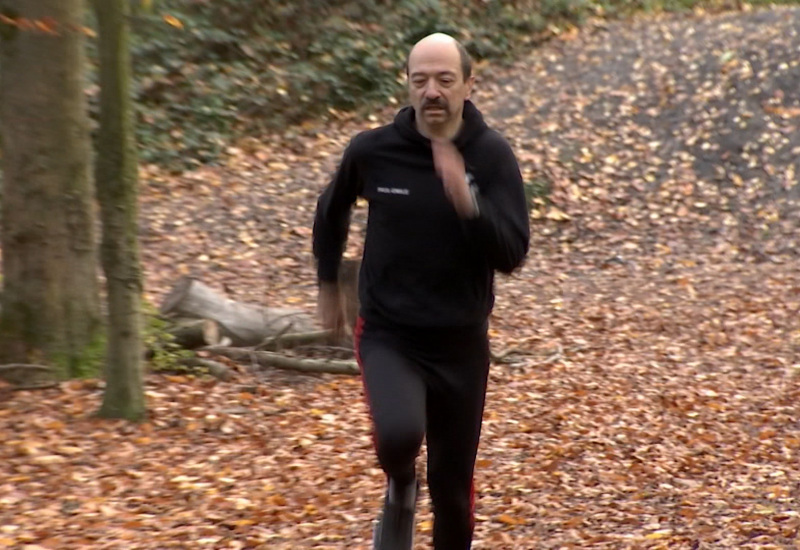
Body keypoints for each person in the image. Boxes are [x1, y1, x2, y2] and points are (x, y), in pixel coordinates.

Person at [312, 32, 530, 550]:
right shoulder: (374, 150)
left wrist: (468, 203)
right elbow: (331, 208)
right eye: (420, 80)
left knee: (453, 494)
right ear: (407, 85)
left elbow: (512, 253)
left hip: (461, 342)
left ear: (468, 85)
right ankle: (401, 484)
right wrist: (328, 278)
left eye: (445, 80)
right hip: (390, 332)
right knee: (398, 436)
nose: (432, 91)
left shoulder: (493, 155)